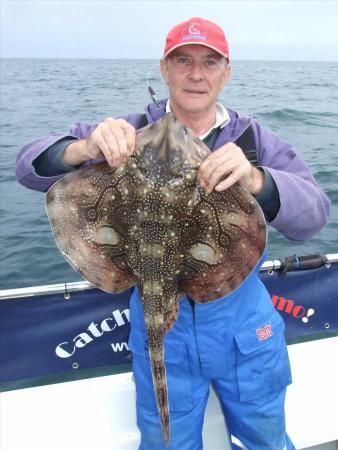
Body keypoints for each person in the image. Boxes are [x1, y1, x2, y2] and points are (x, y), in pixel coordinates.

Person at [16, 17, 330, 450]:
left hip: (242, 327)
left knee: (265, 438)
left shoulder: (254, 139)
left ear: (226, 72)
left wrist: (259, 181)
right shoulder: (125, 133)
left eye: (209, 62)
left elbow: (314, 217)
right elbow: (28, 166)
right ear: (164, 69)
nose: (196, 73)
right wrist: (85, 148)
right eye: (182, 60)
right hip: (158, 323)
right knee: (167, 442)